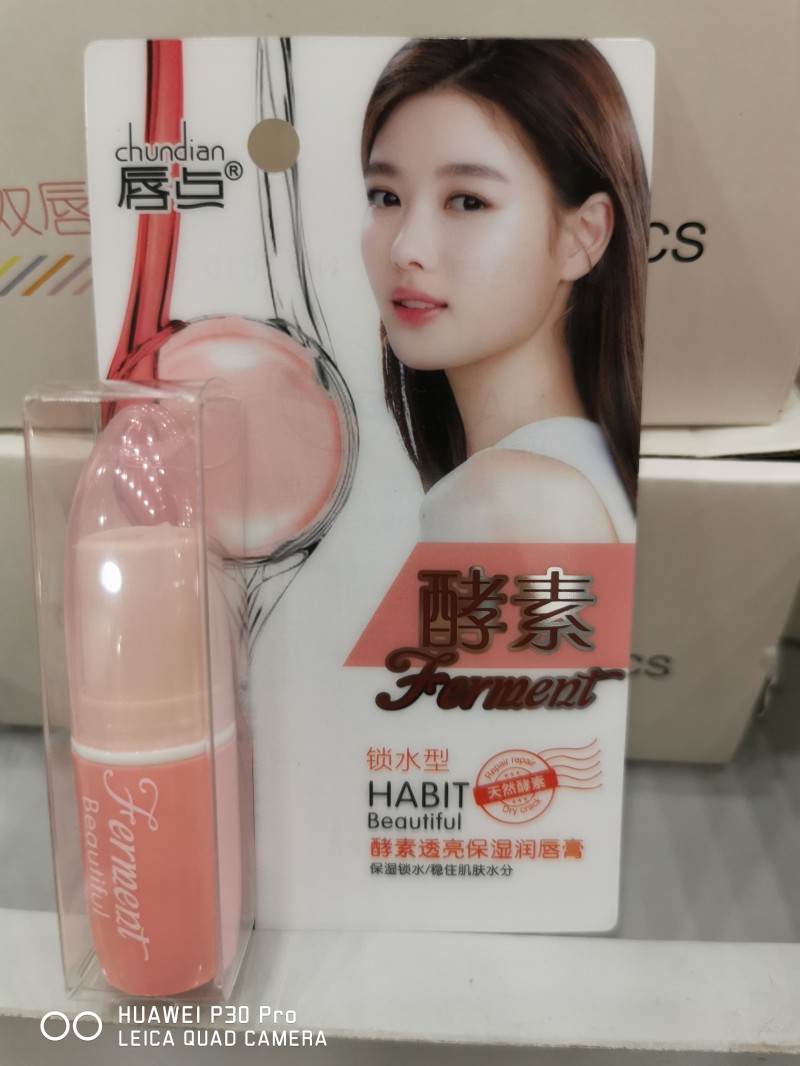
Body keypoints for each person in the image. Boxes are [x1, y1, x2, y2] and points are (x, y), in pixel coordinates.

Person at [360, 39, 649, 544]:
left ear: (583, 236)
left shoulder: (501, 502)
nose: (406, 248)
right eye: (386, 197)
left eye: (468, 201)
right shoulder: (591, 469)